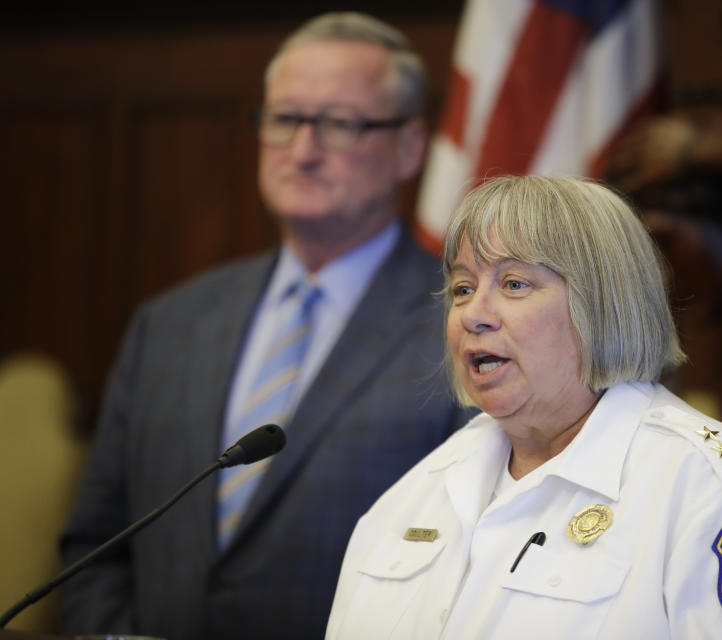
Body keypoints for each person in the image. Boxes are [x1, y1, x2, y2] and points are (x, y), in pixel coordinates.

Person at [59, 12, 473, 640]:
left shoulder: (467, 325)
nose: (302, 151)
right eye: (285, 119)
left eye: (339, 124)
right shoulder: (168, 323)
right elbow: (96, 546)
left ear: (410, 147)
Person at [326, 175, 722, 638]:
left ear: (602, 304)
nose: (473, 315)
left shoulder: (719, 491)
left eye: (513, 284)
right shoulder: (419, 490)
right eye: (463, 288)